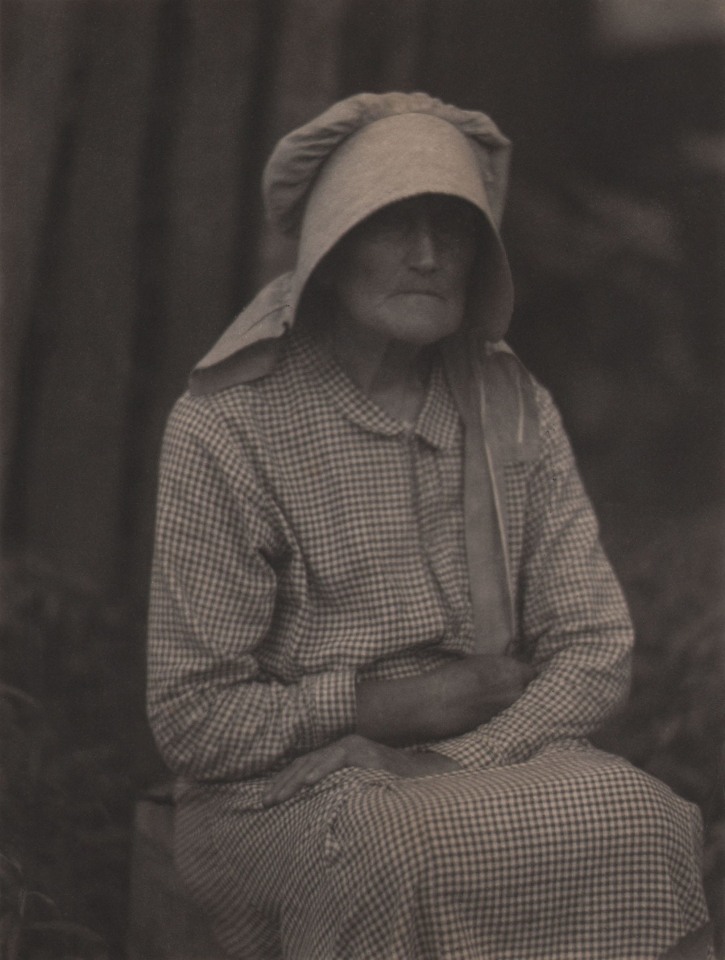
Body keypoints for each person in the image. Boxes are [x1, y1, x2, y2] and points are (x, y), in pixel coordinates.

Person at [147, 92, 712, 959]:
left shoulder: (509, 406)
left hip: (486, 760)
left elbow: (595, 646)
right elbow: (194, 719)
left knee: (647, 818)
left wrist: (465, 752)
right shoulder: (229, 427)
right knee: (392, 851)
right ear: (328, 254)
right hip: (283, 795)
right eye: (390, 225)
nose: (426, 255)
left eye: (451, 229)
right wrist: (383, 708)